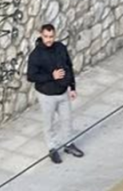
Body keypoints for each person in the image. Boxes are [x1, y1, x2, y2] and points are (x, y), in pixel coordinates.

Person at [26, 23, 84, 165]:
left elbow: (68, 66)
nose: (49, 39)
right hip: (46, 95)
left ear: (55, 35)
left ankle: (68, 144)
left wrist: (72, 86)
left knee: (67, 119)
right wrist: (51, 76)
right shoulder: (36, 55)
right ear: (41, 35)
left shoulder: (60, 48)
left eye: (51, 36)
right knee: (49, 123)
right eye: (46, 36)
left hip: (62, 91)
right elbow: (31, 76)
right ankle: (52, 148)